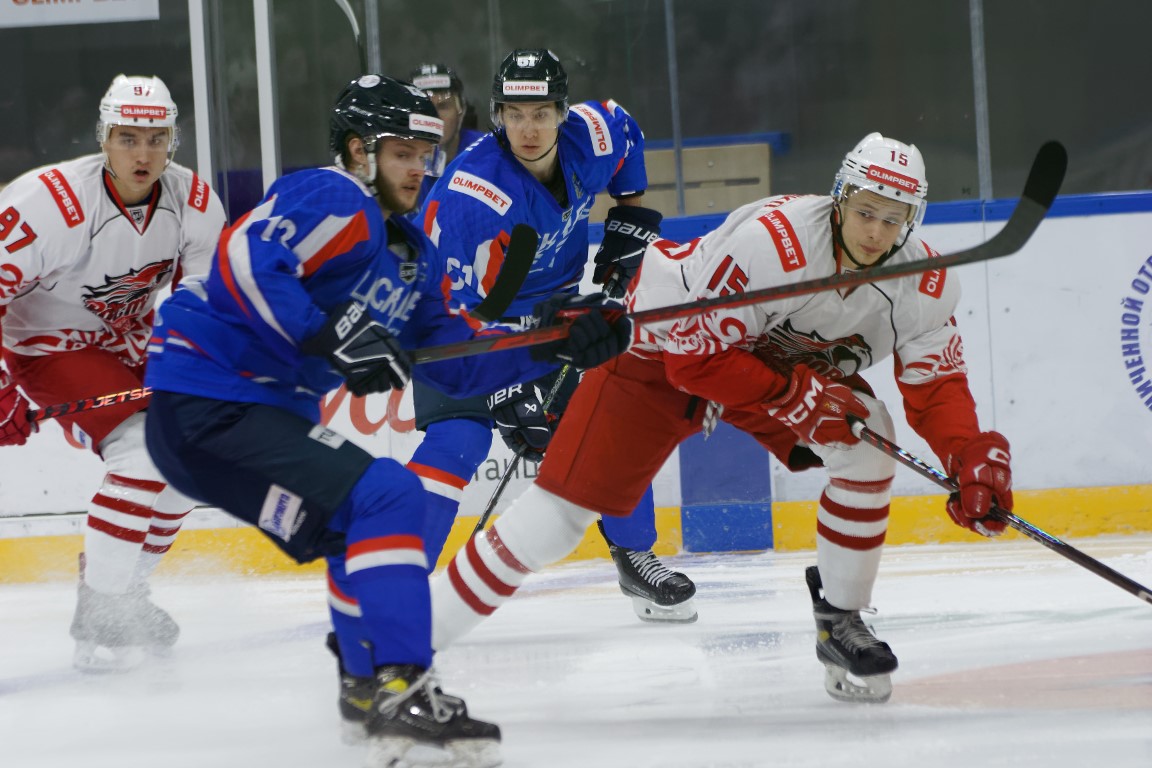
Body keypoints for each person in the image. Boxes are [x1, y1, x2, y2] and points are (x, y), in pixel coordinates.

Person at [141, 74, 629, 766]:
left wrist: (555, 345)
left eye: (426, 153)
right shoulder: (334, 196)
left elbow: (457, 365)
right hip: (212, 400)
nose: (419, 168)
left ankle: (366, 694)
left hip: (223, 425)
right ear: (357, 150)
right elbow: (245, 260)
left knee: (356, 526)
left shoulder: (411, 257)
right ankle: (402, 688)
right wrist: (325, 328)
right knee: (390, 494)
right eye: (402, 152)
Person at [428, 132, 1016, 705]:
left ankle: (840, 620)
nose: (875, 231)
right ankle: (408, 643)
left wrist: (968, 456)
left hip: (765, 366)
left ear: (913, 221)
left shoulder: (927, 282)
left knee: (870, 440)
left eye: (894, 219)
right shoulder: (772, 242)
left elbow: (936, 385)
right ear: (839, 197)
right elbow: (693, 359)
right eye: (865, 211)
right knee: (556, 520)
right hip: (658, 354)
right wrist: (796, 397)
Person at [413, 48, 698, 622]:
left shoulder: (591, 136)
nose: (527, 128)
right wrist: (499, 387)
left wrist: (626, 230)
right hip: (455, 325)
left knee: (603, 422)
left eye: (541, 112)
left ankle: (636, 557)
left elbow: (627, 135)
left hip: (553, 316)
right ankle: (395, 577)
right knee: (457, 442)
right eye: (514, 114)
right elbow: (457, 306)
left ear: (563, 112)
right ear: (496, 115)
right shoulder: (474, 197)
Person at [0, 74, 227, 672]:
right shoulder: (46, 204)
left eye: (156, 138)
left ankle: (119, 592)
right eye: (128, 137)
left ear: (173, 140)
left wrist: (200, 367)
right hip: (47, 346)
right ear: (104, 137)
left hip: (130, 342)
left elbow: (201, 302)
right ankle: (103, 604)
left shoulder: (194, 202)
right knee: (141, 456)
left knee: (190, 463)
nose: (143, 153)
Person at [408, 62, 486, 214]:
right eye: (424, 108)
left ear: (461, 111)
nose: (434, 117)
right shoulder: (397, 159)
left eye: (443, 106)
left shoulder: (486, 152)